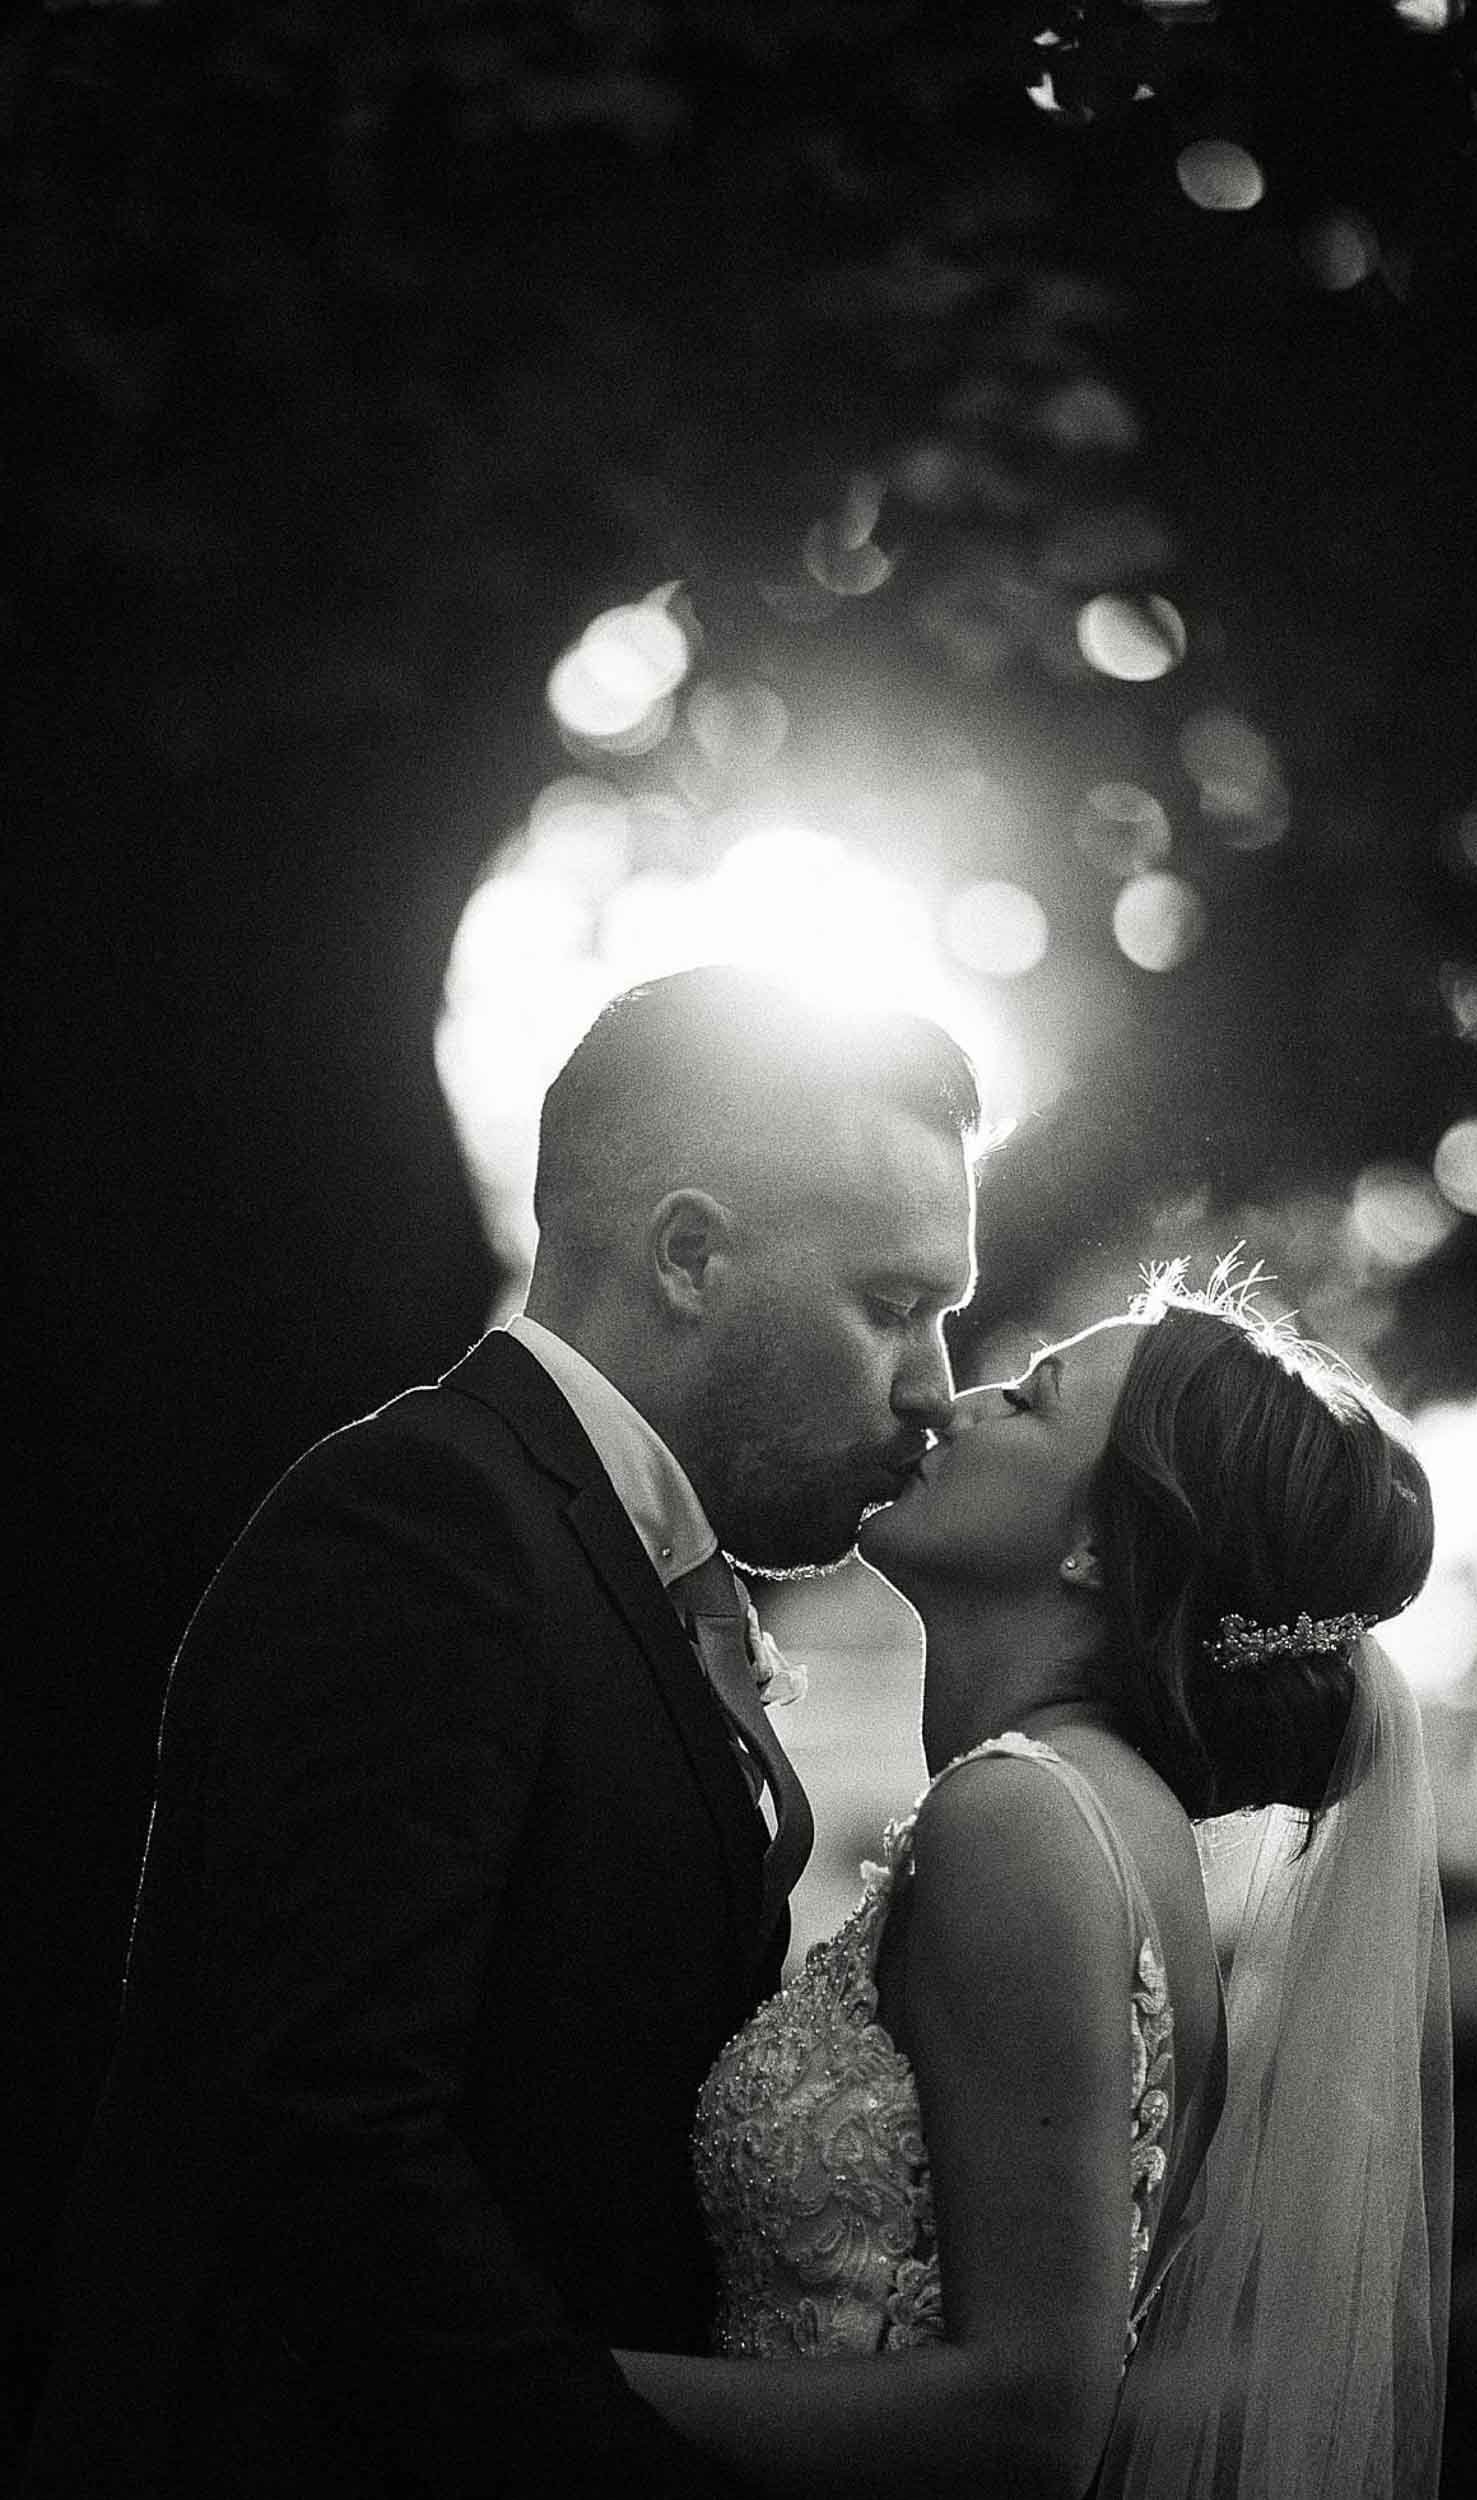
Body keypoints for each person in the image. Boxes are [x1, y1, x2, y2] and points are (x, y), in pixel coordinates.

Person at [23, 964, 981, 2498]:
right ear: (688, 1255)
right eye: (893, 1306)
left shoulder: (610, 1561)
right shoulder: (427, 1527)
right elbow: (335, 2147)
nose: (934, 1389)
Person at [615, 1269, 1455, 2500]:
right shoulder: (1109, 1819)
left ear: (1098, 1547)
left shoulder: (1021, 1817)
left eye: (1029, 1396)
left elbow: (1033, 2419)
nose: (954, 1405)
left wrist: (533, 2387)